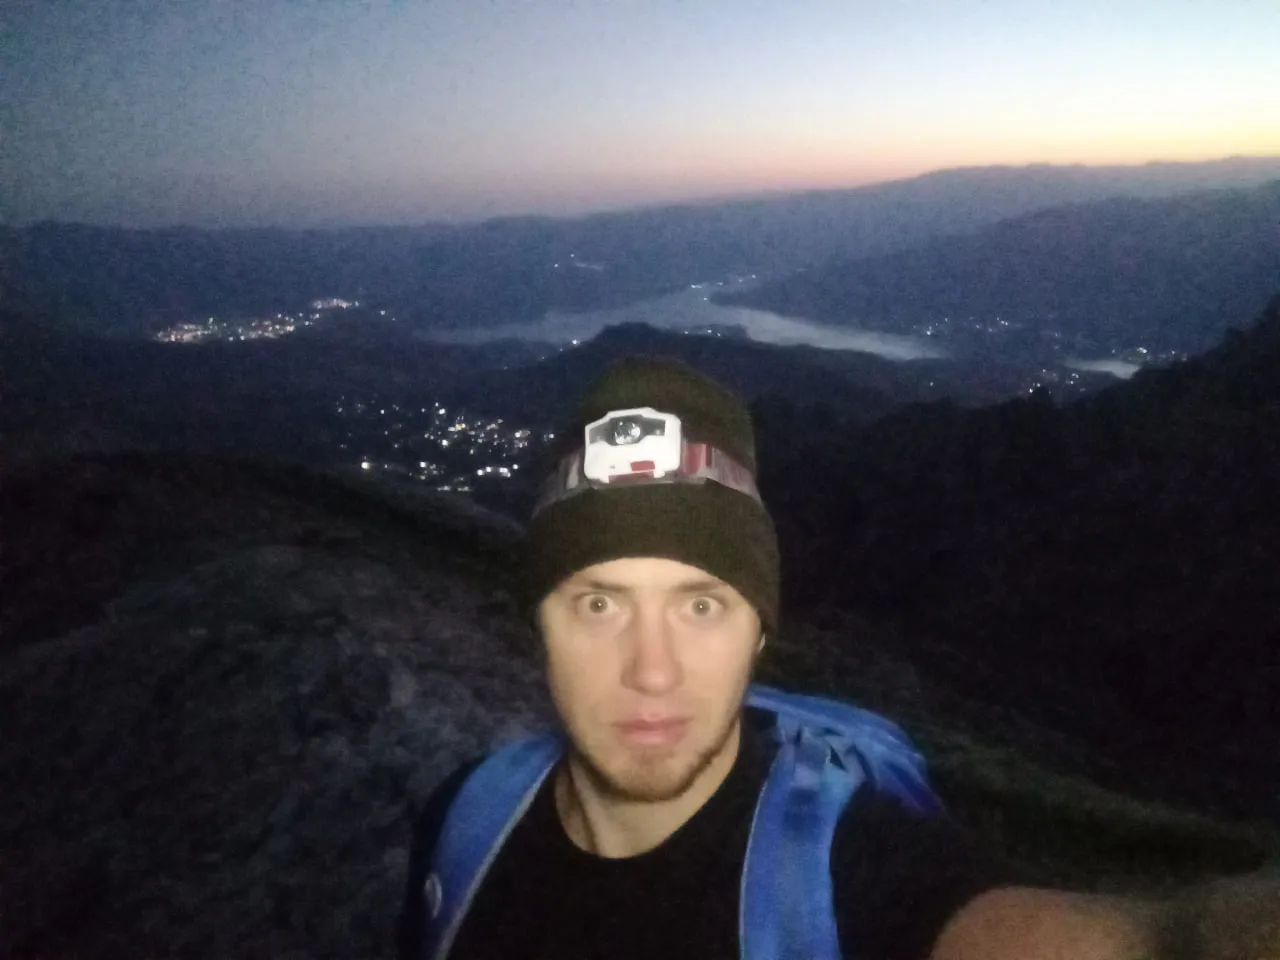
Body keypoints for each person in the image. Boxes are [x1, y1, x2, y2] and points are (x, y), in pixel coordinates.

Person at [398, 356, 1280, 960]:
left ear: (759, 630)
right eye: (599, 604)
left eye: (702, 605)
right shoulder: (467, 822)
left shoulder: (845, 876)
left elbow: (1148, 945)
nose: (653, 671)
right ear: (538, 621)